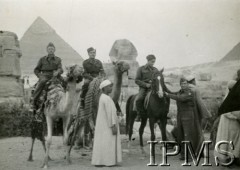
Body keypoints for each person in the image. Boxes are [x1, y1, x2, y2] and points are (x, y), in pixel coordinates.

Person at [165, 78, 204, 160]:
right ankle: (184, 154)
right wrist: (164, 89)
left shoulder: (190, 92)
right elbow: (173, 93)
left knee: (188, 136)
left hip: (188, 116)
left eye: (185, 83)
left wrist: (167, 95)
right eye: (182, 84)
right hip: (181, 115)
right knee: (181, 135)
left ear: (188, 84)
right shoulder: (180, 91)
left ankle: (189, 156)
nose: (183, 85)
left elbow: (180, 98)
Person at [91, 79, 122, 167]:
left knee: (103, 143)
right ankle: (108, 161)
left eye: (111, 86)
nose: (111, 88)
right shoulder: (106, 98)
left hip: (104, 125)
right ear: (104, 88)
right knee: (108, 143)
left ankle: (100, 161)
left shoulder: (103, 98)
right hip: (108, 126)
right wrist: (113, 126)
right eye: (109, 87)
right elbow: (110, 113)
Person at [215, 80, 240, 167]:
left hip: (229, 121)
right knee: (231, 140)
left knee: (230, 139)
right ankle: (229, 160)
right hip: (230, 121)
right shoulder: (232, 97)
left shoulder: (231, 97)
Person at [31, 42, 63, 109]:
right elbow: (36, 70)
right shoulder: (42, 59)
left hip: (55, 76)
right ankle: (34, 101)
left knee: (66, 82)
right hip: (45, 75)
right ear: (47, 50)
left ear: (54, 50)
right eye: (49, 49)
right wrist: (40, 76)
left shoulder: (58, 59)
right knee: (42, 82)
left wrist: (57, 72)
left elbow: (61, 69)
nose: (51, 50)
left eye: (52, 49)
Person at [135, 54, 159, 121]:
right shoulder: (141, 69)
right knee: (139, 99)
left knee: (161, 97)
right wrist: (146, 85)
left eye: (154, 61)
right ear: (148, 61)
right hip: (144, 88)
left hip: (153, 88)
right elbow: (137, 80)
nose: (153, 63)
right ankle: (139, 114)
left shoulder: (156, 70)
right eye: (152, 61)